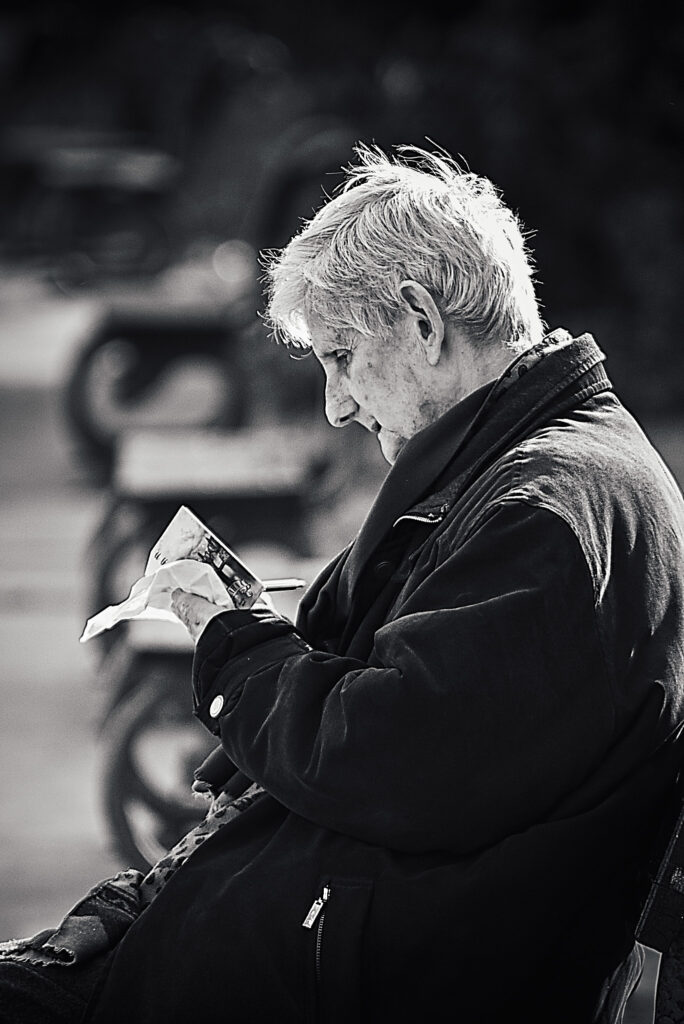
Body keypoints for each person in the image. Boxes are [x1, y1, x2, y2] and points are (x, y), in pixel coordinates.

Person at [2, 144, 684, 1023]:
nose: (336, 405)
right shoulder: (538, 468)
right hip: (336, 931)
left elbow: (386, 758)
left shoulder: (547, 515)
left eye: (342, 356)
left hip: (362, 972)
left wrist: (235, 648)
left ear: (422, 322)